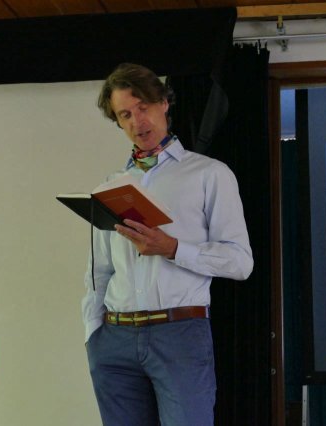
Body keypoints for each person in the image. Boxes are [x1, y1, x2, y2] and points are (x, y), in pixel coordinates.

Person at [83, 63, 253, 426]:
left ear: (163, 103)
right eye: (125, 115)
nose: (137, 121)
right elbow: (99, 272)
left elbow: (241, 262)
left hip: (179, 333)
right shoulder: (109, 187)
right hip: (114, 339)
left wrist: (174, 248)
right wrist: (92, 335)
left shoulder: (209, 174)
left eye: (142, 107)